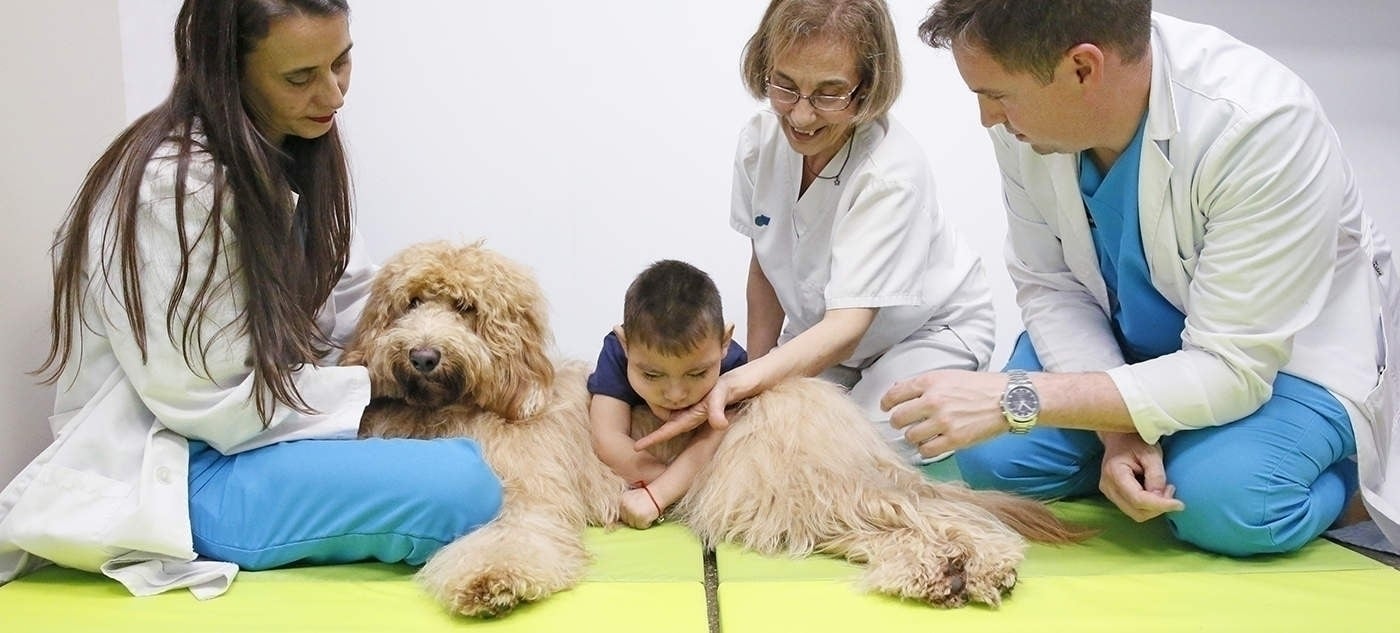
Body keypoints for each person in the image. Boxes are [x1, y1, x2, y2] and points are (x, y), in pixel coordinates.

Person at [0, 0, 503, 598]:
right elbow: (211, 405)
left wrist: (448, 342)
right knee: (465, 483)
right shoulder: (175, 192)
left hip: (264, 431)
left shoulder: (295, 149)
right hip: (186, 467)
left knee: (490, 428)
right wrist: (382, 379)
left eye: (341, 62)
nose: (334, 94)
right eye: (300, 78)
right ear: (228, 72)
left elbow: (356, 301)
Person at [884, 0, 1400, 556]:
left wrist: (1019, 397)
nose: (987, 118)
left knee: (1230, 504)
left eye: (997, 95)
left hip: (1279, 359)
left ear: (1083, 68)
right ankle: (1160, 450)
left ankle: (1343, 484)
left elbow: (1231, 367)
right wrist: (1118, 428)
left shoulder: (1261, 125)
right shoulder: (1029, 125)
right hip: (1134, 340)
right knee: (994, 463)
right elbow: (1051, 284)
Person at [638, 0, 996, 467]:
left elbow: (848, 326)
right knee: (763, 439)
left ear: (867, 88)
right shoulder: (758, 144)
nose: (802, 117)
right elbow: (764, 271)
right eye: (785, 87)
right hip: (823, 337)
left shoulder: (890, 173)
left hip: (925, 334)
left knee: (843, 455)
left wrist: (739, 385)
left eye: (829, 94)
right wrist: (751, 385)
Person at [589, 260, 748, 529]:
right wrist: (669, 481)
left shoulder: (733, 364)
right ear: (625, 343)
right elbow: (607, 436)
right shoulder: (616, 354)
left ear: (724, 342)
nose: (675, 394)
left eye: (697, 374)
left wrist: (660, 494)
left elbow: (716, 440)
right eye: (652, 375)